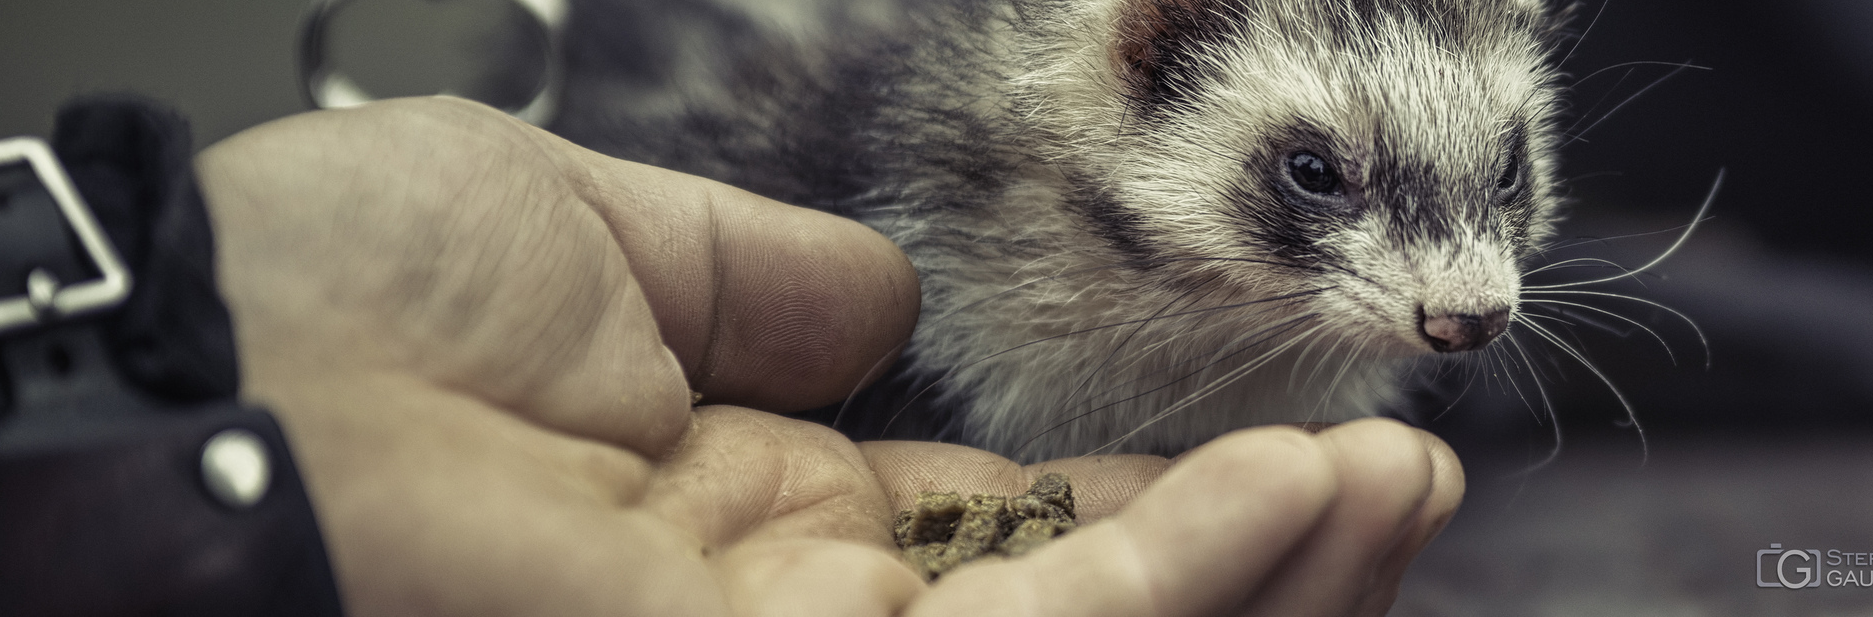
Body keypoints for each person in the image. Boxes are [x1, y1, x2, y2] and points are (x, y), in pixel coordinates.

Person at [194, 96, 1463, 617]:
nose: (1474, 281)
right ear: (1141, 62)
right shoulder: (899, 260)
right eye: (1312, 177)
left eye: (1499, 179)